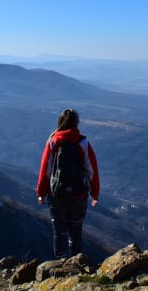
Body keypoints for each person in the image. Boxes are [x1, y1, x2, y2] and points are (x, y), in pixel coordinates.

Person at [36, 108, 100, 258]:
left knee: (60, 232)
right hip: (79, 195)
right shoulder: (83, 142)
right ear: (76, 123)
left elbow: (46, 168)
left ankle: (61, 264)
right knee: (76, 231)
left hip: (56, 194)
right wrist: (94, 194)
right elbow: (91, 170)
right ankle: (76, 263)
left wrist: (41, 193)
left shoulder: (53, 141)